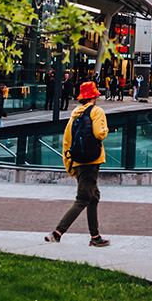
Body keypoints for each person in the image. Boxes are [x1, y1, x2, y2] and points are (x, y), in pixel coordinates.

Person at [46, 80, 110, 247]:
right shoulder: (97, 112)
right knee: (83, 198)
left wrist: (70, 165)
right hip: (92, 160)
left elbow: (67, 141)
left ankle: (95, 236)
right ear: (94, 96)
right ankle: (57, 232)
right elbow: (99, 133)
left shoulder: (74, 114)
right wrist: (105, 130)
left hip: (78, 161)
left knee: (93, 196)